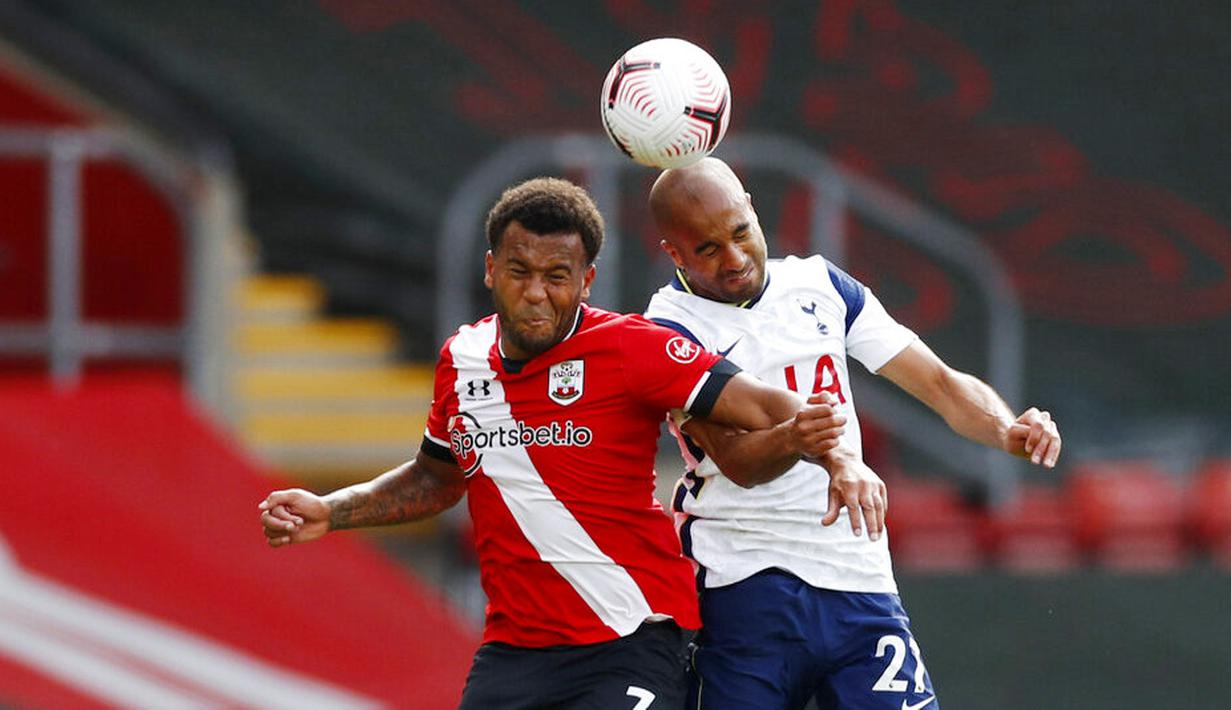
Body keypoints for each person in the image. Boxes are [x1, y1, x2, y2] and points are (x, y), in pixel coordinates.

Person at [258, 177, 861, 709]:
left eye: (557, 276)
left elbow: (768, 405)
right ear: (491, 269)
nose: (537, 294)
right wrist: (331, 509)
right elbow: (435, 479)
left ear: (587, 281)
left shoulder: (634, 348)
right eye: (520, 273)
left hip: (633, 638)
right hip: (517, 651)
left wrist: (841, 460)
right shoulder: (462, 360)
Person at [643, 158, 1062, 710]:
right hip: (745, 582)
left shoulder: (821, 284)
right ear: (674, 253)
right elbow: (736, 462)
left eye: (741, 232)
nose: (736, 258)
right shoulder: (666, 329)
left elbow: (939, 382)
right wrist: (800, 439)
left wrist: (1007, 429)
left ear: (751, 205)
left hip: (856, 575)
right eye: (708, 250)